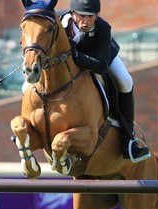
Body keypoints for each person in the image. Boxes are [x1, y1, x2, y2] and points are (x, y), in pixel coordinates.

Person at [59, 0, 150, 162]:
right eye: (81, 16)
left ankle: (129, 139)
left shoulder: (103, 28)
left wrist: (75, 56)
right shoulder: (59, 20)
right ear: (72, 14)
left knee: (125, 80)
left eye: (91, 17)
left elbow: (100, 66)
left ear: (97, 15)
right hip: (71, 61)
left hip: (100, 57)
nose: (85, 21)